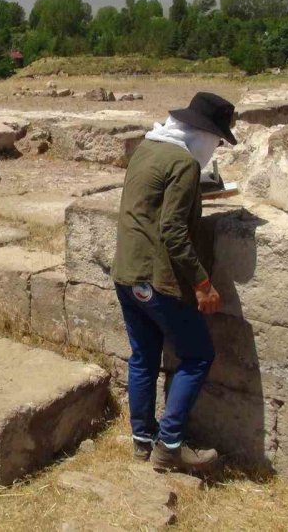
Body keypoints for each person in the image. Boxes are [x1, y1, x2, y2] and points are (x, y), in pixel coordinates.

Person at [111, 92, 237, 473]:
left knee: (144, 357)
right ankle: (169, 447)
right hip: (156, 279)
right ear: (203, 133)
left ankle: (141, 441)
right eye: (216, 140)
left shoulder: (149, 148)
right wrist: (202, 283)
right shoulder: (184, 163)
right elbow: (173, 231)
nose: (214, 149)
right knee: (198, 356)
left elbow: (154, 200)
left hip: (126, 273)